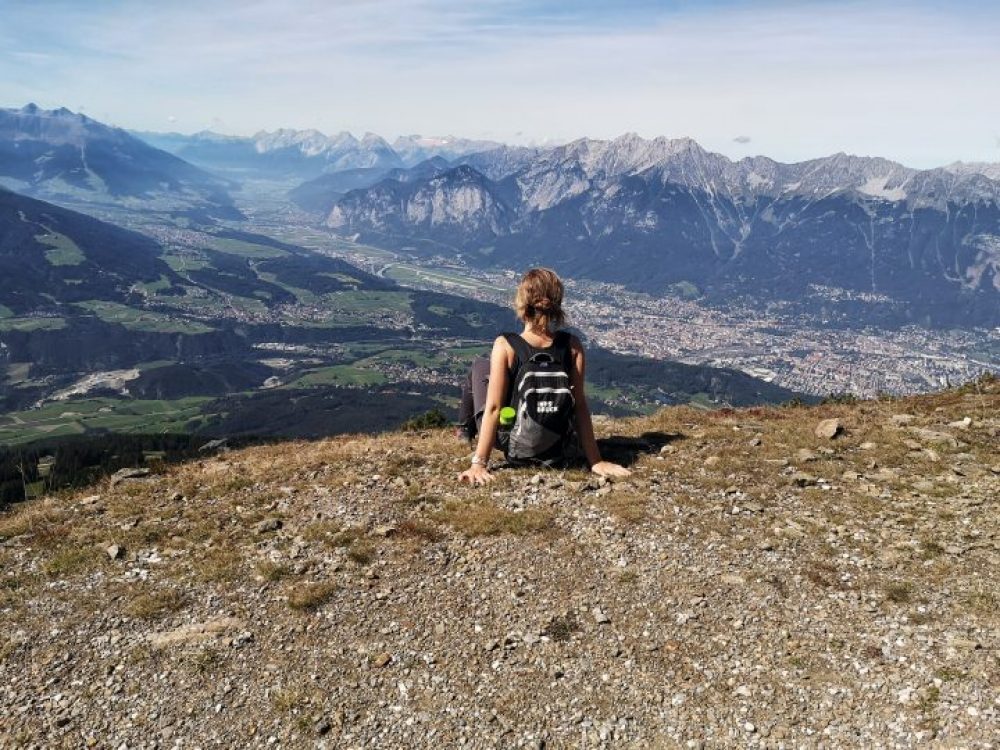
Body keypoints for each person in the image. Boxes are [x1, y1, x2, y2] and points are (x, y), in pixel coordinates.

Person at [458, 268, 631, 485]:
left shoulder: (506, 345)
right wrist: (595, 461)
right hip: (559, 450)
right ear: (557, 303)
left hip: (515, 447)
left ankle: (464, 429)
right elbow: (579, 407)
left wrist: (479, 463)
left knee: (479, 365)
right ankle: (464, 430)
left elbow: (493, 408)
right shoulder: (572, 346)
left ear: (522, 300)